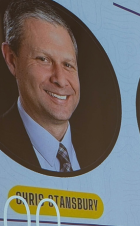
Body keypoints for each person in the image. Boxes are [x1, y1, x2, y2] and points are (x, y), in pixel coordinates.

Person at [0, 0, 83, 173]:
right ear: (11, 59)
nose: (60, 79)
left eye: (68, 64)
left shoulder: (104, 148)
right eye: (43, 59)